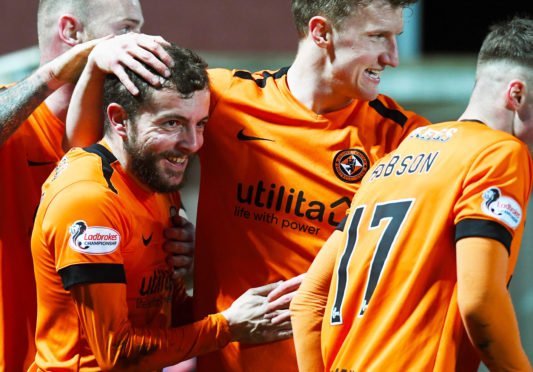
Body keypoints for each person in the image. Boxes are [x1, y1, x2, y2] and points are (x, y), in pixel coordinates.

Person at [65, 0, 431, 370]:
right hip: (222, 360)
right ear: (322, 32)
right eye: (378, 36)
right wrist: (97, 62)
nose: (392, 57)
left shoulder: (406, 138)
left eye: (395, 38)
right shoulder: (226, 97)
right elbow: (91, 147)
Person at [290, 16, 533, 372]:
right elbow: (480, 301)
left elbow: (309, 300)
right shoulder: (499, 153)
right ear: (517, 94)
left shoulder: (395, 158)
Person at [31, 42, 291, 372]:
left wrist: (255, 310)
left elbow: (164, 308)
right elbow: (117, 353)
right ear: (120, 120)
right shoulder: (90, 201)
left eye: (200, 124)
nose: (193, 144)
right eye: (172, 123)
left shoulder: (154, 177)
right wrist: (227, 326)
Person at [0, 1, 196, 370]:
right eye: (126, 30)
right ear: (72, 33)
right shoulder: (16, 120)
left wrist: (181, 247)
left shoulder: (138, 139)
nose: (142, 43)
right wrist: (60, 71)